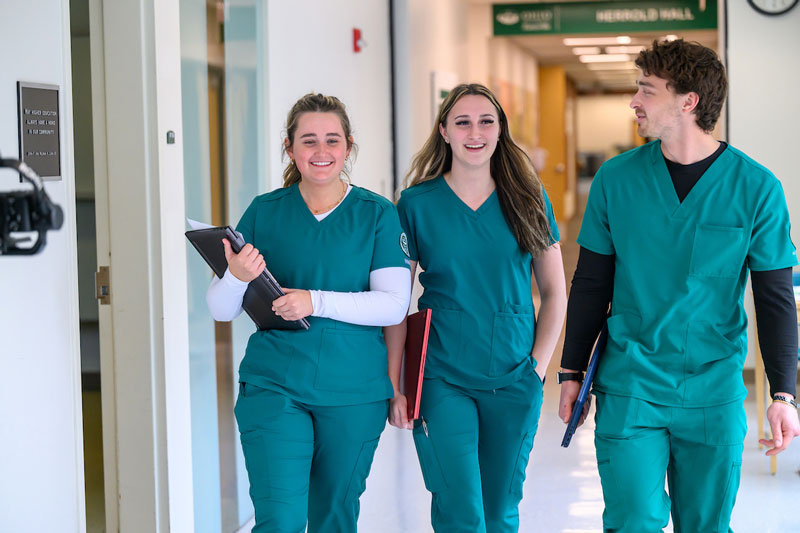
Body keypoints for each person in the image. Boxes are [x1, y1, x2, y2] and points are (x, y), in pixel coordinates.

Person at [559, 39, 800, 532]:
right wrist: (570, 371)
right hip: (631, 383)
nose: (634, 101)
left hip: (714, 389)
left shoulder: (756, 188)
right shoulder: (616, 180)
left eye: (646, 89)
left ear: (688, 101)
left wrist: (784, 394)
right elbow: (590, 283)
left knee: (706, 524)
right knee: (632, 521)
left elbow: (774, 299)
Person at [206, 93, 411, 532]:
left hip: (354, 392)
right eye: (309, 140)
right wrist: (237, 276)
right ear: (290, 148)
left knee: (333, 518)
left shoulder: (376, 214)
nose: (321, 152)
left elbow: (394, 304)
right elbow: (221, 310)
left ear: (349, 147)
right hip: (276, 385)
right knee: (278, 520)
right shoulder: (264, 211)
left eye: (332, 140)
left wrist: (314, 300)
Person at [386, 83, 567, 532]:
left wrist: (537, 370)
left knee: (500, 511)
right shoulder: (416, 204)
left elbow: (555, 292)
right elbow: (395, 301)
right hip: (442, 375)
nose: (475, 132)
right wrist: (396, 383)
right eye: (462, 121)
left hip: (514, 374)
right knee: (460, 511)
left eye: (486, 121)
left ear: (501, 130)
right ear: (444, 131)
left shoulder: (528, 199)